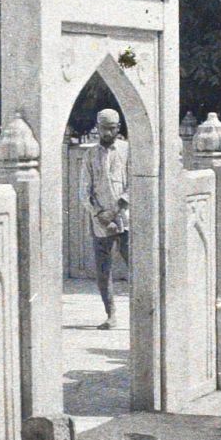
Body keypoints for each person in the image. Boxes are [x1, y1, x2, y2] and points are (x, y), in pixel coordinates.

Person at [82, 108, 131, 329]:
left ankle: (142, 312)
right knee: (103, 271)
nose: (107, 132)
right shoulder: (90, 154)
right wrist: (100, 215)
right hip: (100, 221)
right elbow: (84, 191)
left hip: (125, 218)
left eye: (112, 128)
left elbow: (133, 184)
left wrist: (116, 211)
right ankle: (110, 314)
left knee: (136, 265)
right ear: (97, 127)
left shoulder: (128, 150)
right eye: (104, 128)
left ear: (118, 128)